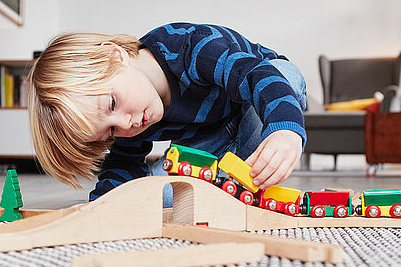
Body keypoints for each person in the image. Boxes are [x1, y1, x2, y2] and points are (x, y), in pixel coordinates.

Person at [28, 22, 307, 205]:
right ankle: (223, 183)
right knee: (153, 195)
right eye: (110, 131)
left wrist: (285, 132)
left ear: (114, 56)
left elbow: (254, 75)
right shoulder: (133, 117)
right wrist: (103, 205)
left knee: (284, 77)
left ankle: (232, 174)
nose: (125, 124)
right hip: (212, 138)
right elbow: (123, 162)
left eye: (112, 104)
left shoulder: (192, 49)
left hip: (260, 99)